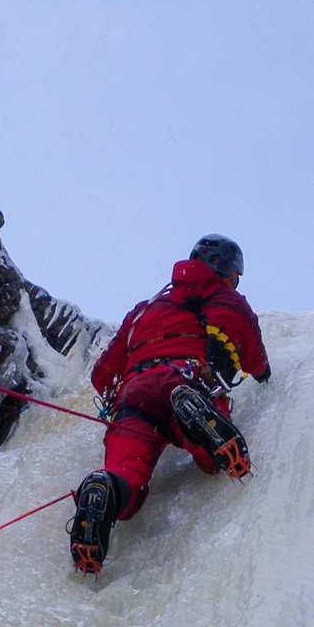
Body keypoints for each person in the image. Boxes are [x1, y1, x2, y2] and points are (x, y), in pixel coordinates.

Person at [69, 234, 270, 575]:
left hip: (134, 395)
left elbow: (103, 373)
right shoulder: (227, 300)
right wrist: (263, 373)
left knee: (126, 474)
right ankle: (189, 414)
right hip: (187, 378)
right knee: (212, 458)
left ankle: (105, 489)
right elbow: (254, 360)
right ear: (227, 272)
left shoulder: (145, 309)